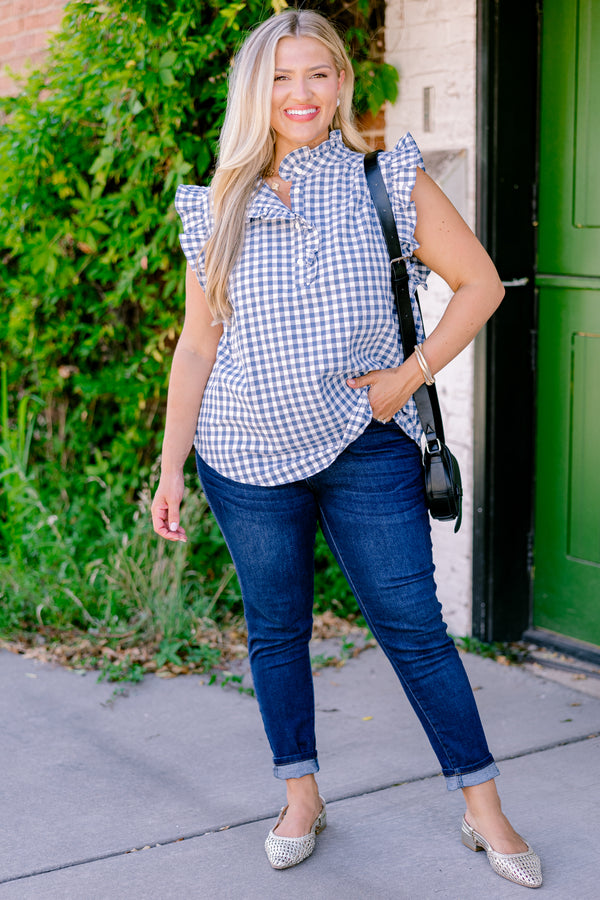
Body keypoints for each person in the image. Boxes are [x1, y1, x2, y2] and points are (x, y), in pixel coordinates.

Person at [151, 9, 542, 889]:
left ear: (341, 84)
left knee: (413, 629)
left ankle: (484, 807)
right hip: (244, 452)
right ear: (258, 88)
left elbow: (480, 285)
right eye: (283, 77)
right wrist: (172, 464)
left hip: (368, 445)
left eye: (318, 74)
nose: (301, 94)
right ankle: (300, 795)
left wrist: (408, 377)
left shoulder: (383, 177)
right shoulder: (216, 202)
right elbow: (199, 343)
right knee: (276, 631)